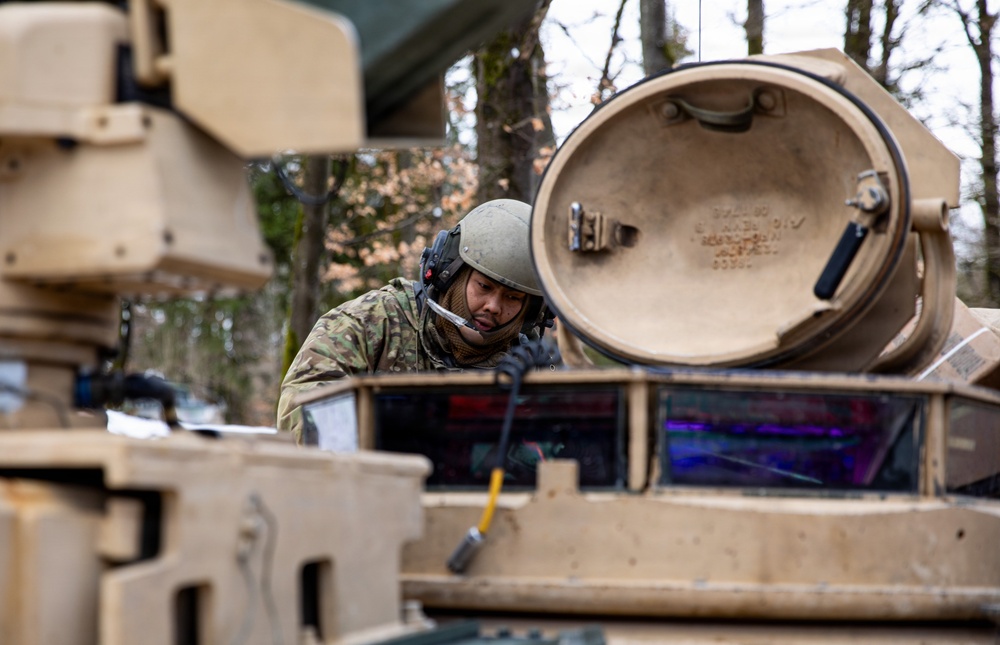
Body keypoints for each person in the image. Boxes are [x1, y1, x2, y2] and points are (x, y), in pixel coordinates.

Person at [277, 198, 551, 439]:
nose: (493, 306)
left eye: (513, 298)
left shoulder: (529, 362)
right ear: (450, 273)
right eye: (484, 287)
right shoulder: (374, 321)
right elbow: (301, 405)